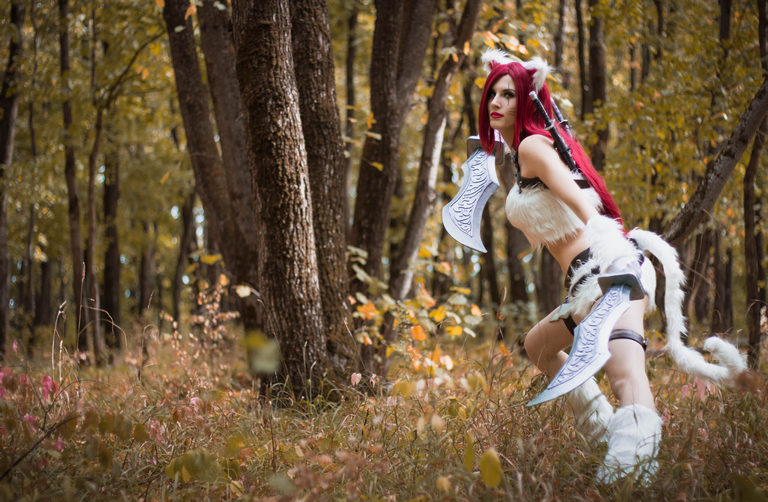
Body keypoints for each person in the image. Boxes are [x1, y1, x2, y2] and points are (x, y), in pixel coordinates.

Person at [477, 49, 746, 484]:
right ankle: (604, 432)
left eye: (509, 94)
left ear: (525, 100)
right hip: (584, 283)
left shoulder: (531, 147)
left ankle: (631, 472)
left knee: (625, 375)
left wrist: (612, 252)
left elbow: (582, 204)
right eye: (493, 93)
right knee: (539, 345)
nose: (497, 101)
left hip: (609, 270)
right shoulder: (520, 153)